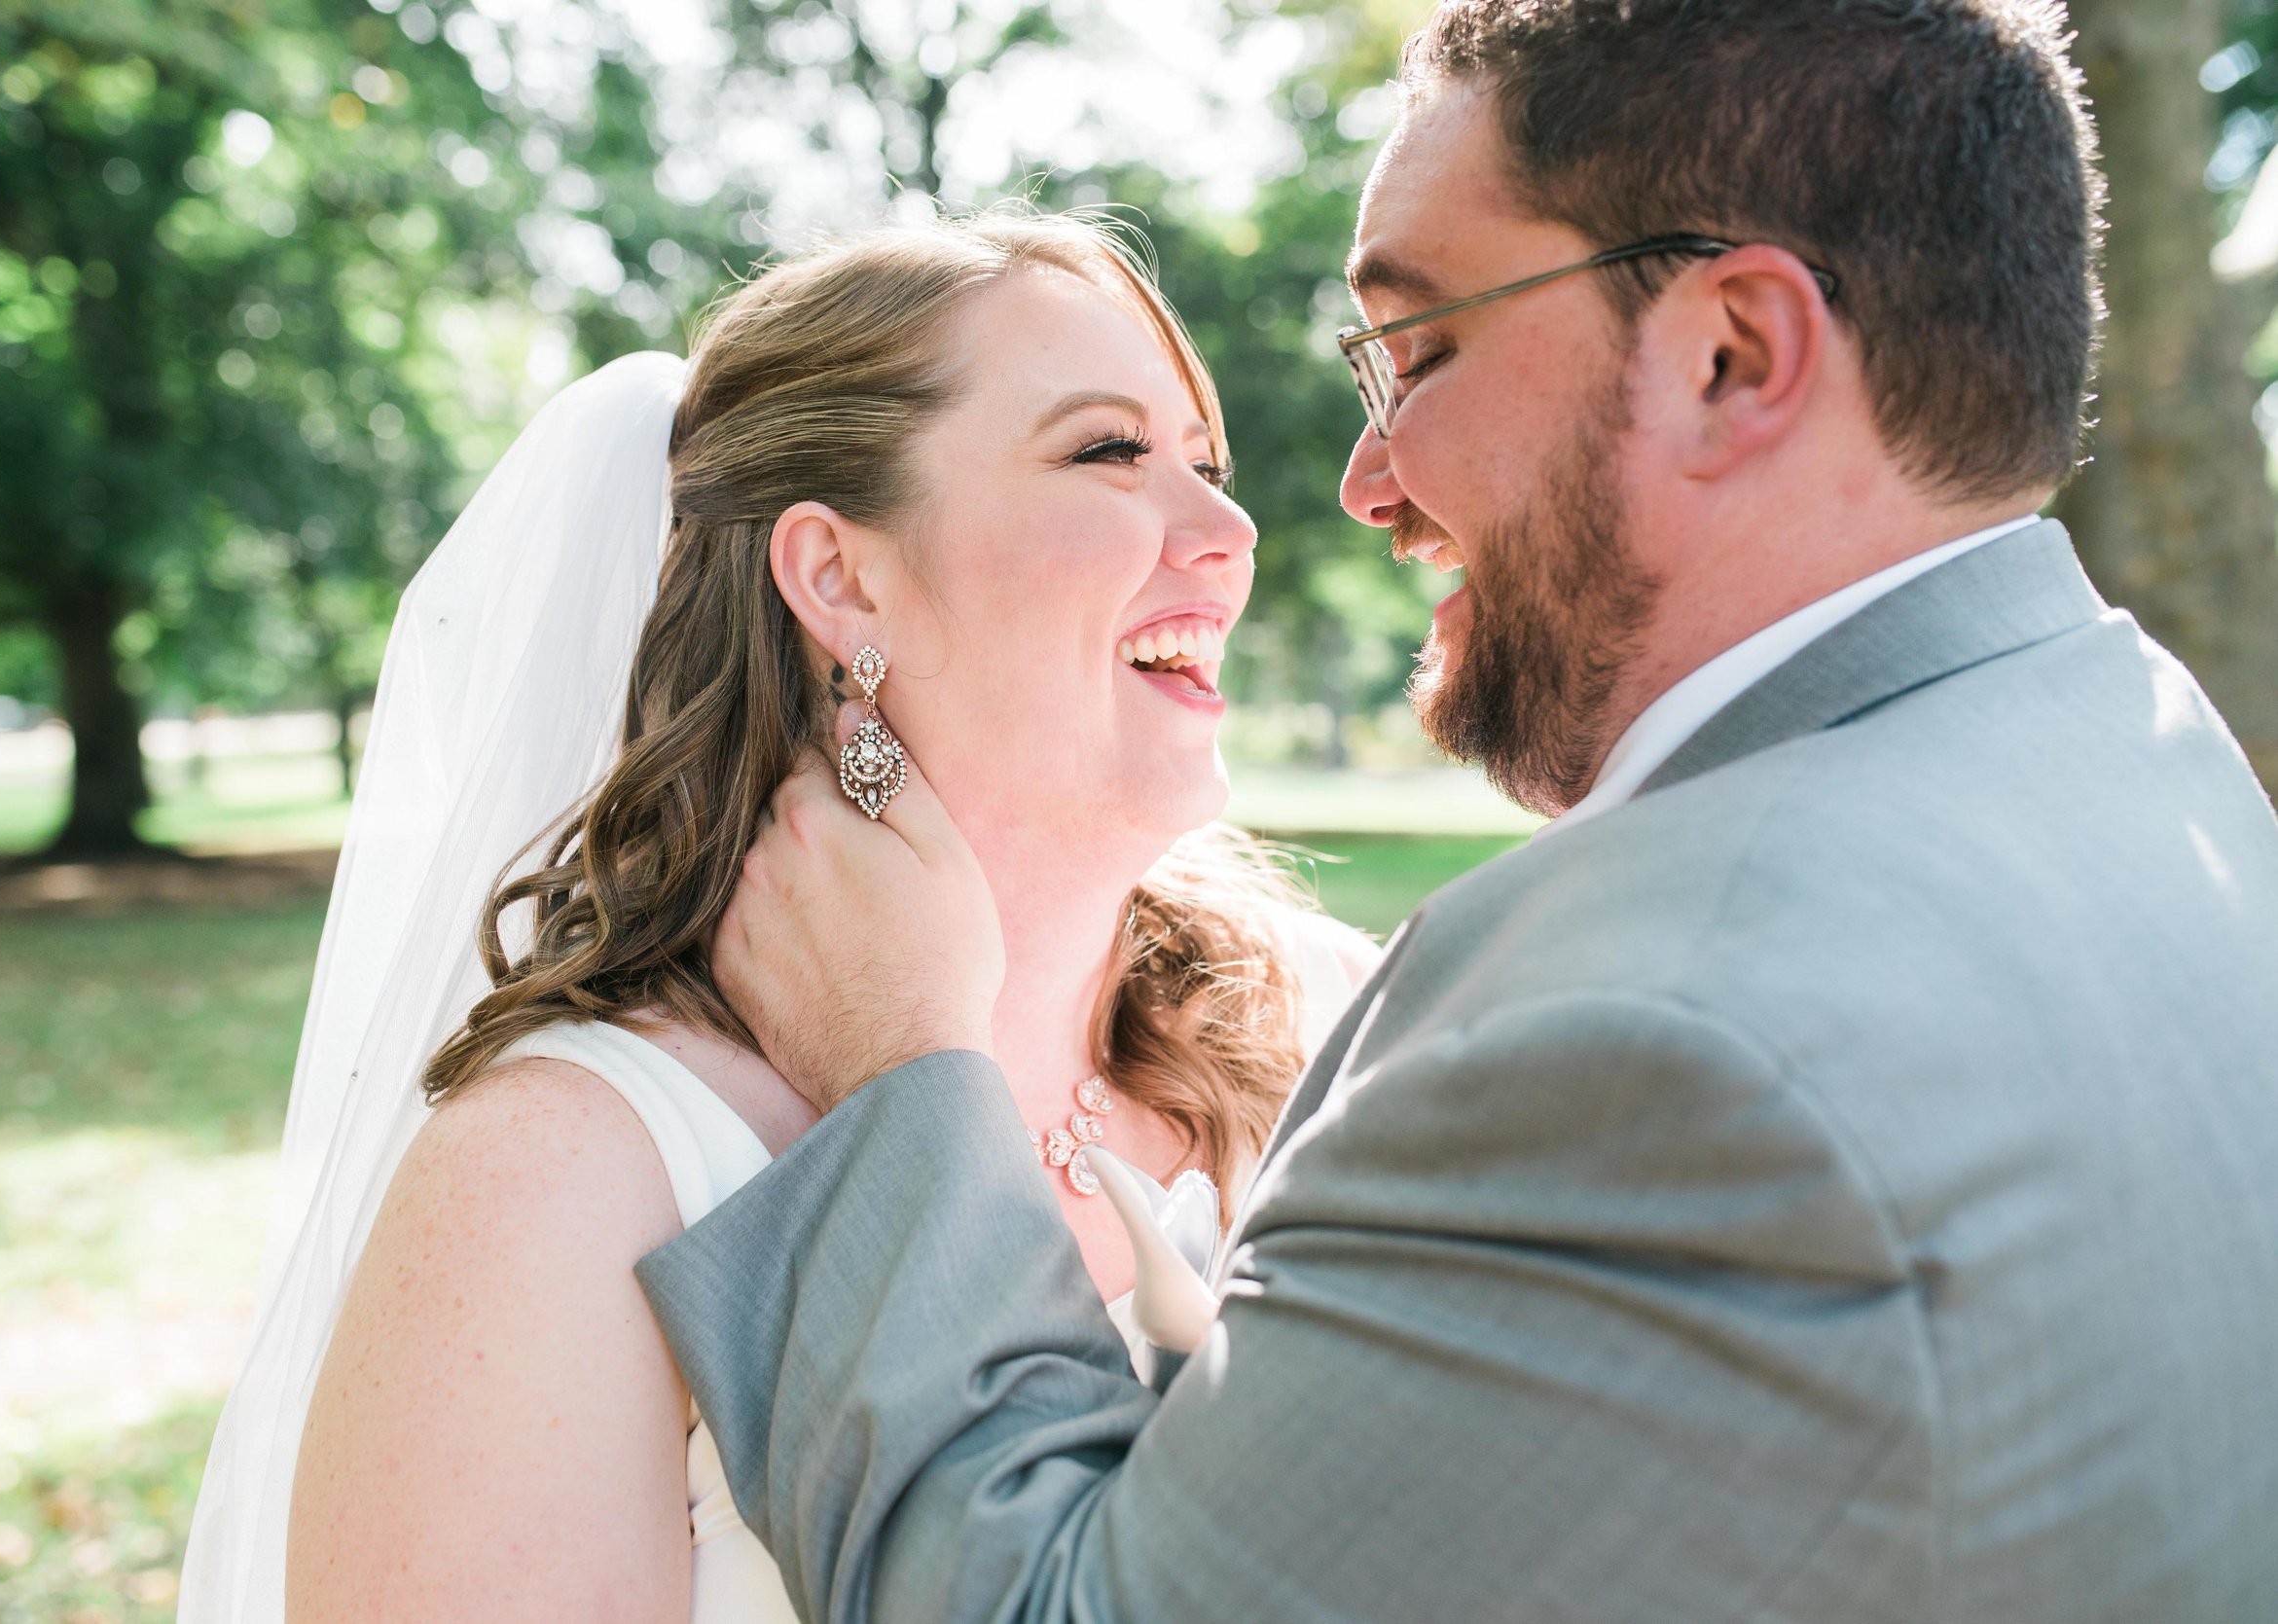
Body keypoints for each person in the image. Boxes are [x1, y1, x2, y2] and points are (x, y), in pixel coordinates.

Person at [640, 3, 2278, 1619]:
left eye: (1419, 350)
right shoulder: (2157, 773)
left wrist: (900, 1079)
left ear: (1731, 355)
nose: (1359, 486)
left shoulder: (1651, 1028)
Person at [176, 214, 1377, 1623]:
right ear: (839, 577)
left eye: (1208, 466)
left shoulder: (1332, 1021)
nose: (1229, 535)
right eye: (1109, 453)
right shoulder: (568, 1171)